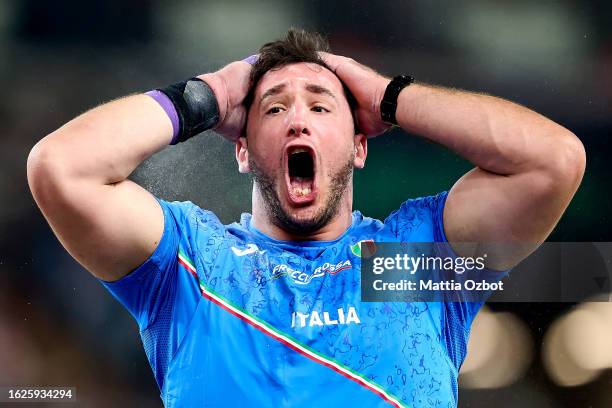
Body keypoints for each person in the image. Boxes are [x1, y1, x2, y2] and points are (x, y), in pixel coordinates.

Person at [26, 28, 585, 407]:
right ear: (241, 150)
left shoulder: (407, 263)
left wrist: (390, 97)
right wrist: (208, 95)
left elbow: (552, 163)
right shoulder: (191, 263)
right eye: (274, 109)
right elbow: (61, 168)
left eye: (321, 106)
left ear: (360, 145)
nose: (298, 122)